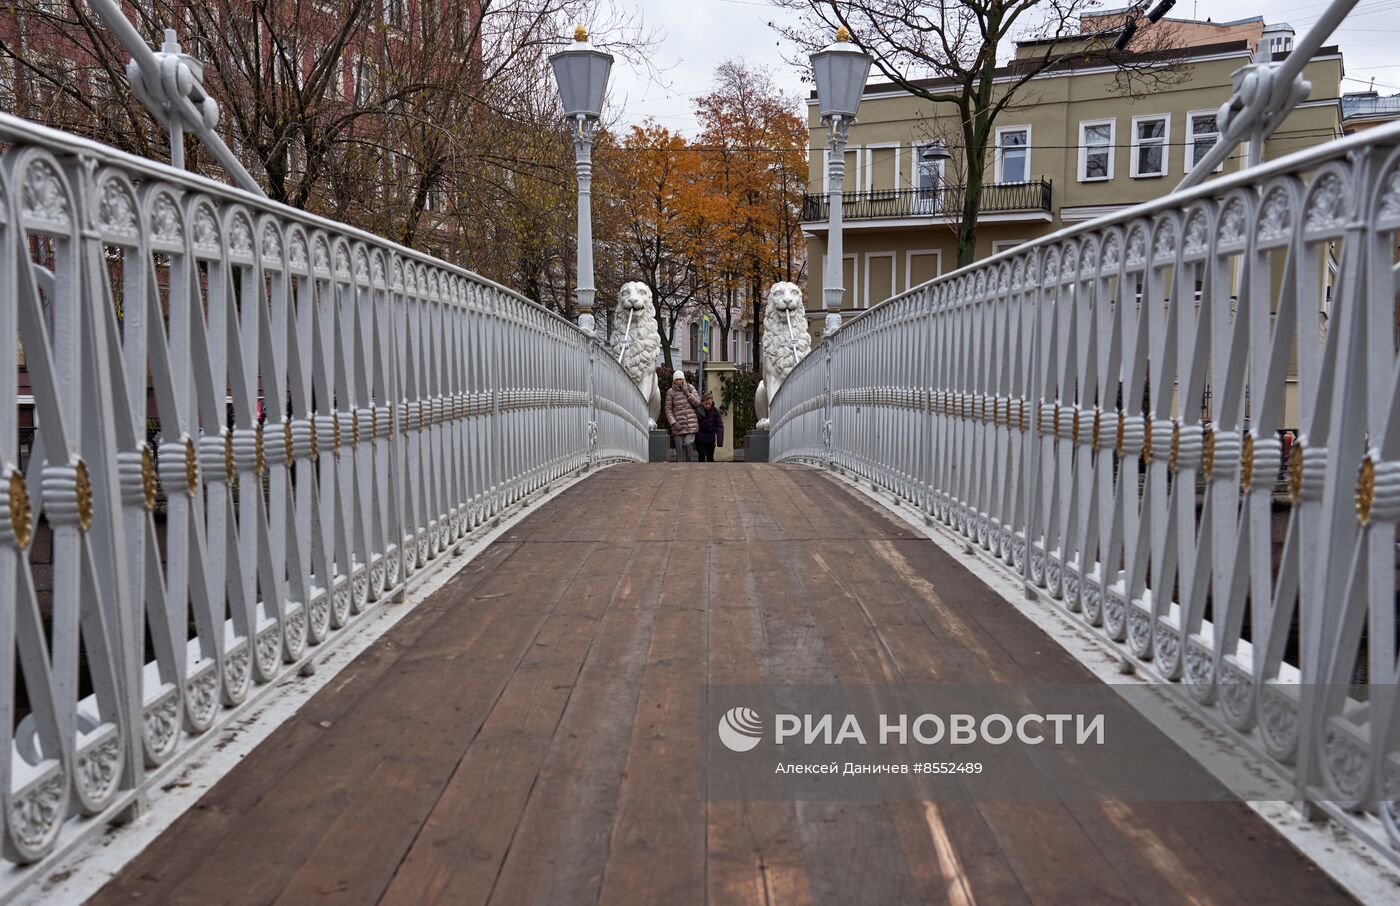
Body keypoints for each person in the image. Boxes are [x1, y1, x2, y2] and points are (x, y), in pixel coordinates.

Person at [664, 370, 701, 461]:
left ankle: (690, 464)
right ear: (674, 381)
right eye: (677, 379)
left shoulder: (690, 388)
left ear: (683, 379)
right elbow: (668, 409)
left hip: (690, 424)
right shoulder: (670, 392)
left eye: (681, 379)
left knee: (688, 443)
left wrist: (687, 393)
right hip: (678, 426)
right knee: (679, 450)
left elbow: (698, 403)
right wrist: (673, 422)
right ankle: (680, 470)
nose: (679, 381)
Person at [696, 391, 724, 462]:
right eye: (706, 404)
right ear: (702, 402)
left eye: (709, 403)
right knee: (701, 455)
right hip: (700, 438)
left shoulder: (715, 412)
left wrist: (719, 440)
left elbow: (719, 426)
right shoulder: (698, 411)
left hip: (710, 439)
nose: (708, 406)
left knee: (710, 458)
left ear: (712, 402)